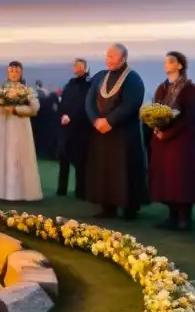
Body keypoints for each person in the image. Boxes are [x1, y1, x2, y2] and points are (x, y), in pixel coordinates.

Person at [84, 43, 148, 220]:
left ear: (124, 58)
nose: (109, 59)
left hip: (124, 134)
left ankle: (129, 208)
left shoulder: (133, 78)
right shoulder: (100, 77)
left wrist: (110, 121)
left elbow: (131, 103)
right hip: (101, 133)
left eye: (113, 56)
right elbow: (89, 101)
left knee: (125, 169)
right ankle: (107, 206)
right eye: (107, 56)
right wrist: (95, 120)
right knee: (104, 170)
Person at [148, 52, 195, 230]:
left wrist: (169, 133)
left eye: (171, 62)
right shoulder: (162, 88)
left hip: (182, 141)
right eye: (165, 62)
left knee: (181, 180)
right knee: (166, 179)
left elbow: (190, 117)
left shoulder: (190, 89)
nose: (167, 65)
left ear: (179, 66)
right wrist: (156, 128)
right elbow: (155, 110)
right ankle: (172, 215)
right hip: (163, 141)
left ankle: (184, 217)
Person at [0, 61, 43, 202]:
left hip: (21, 125)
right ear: (7, 72)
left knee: (19, 154)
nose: (14, 74)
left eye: (17, 71)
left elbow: (35, 108)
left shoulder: (26, 90)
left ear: (21, 72)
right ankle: (2, 190)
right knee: (3, 154)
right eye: (11, 71)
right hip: (3, 125)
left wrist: (16, 109)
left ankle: (22, 192)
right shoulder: (0, 89)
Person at [56, 58, 92, 198]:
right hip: (66, 127)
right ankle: (61, 189)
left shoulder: (88, 85)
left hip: (80, 127)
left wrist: (71, 117)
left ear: (86, 68)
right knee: (63, 158)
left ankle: (81, 191)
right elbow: (63, 100)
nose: (77, 68)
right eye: (75, 66)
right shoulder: (70, 84)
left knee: (80, 160)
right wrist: (62, 115)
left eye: (80, 66)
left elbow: (85, 105)